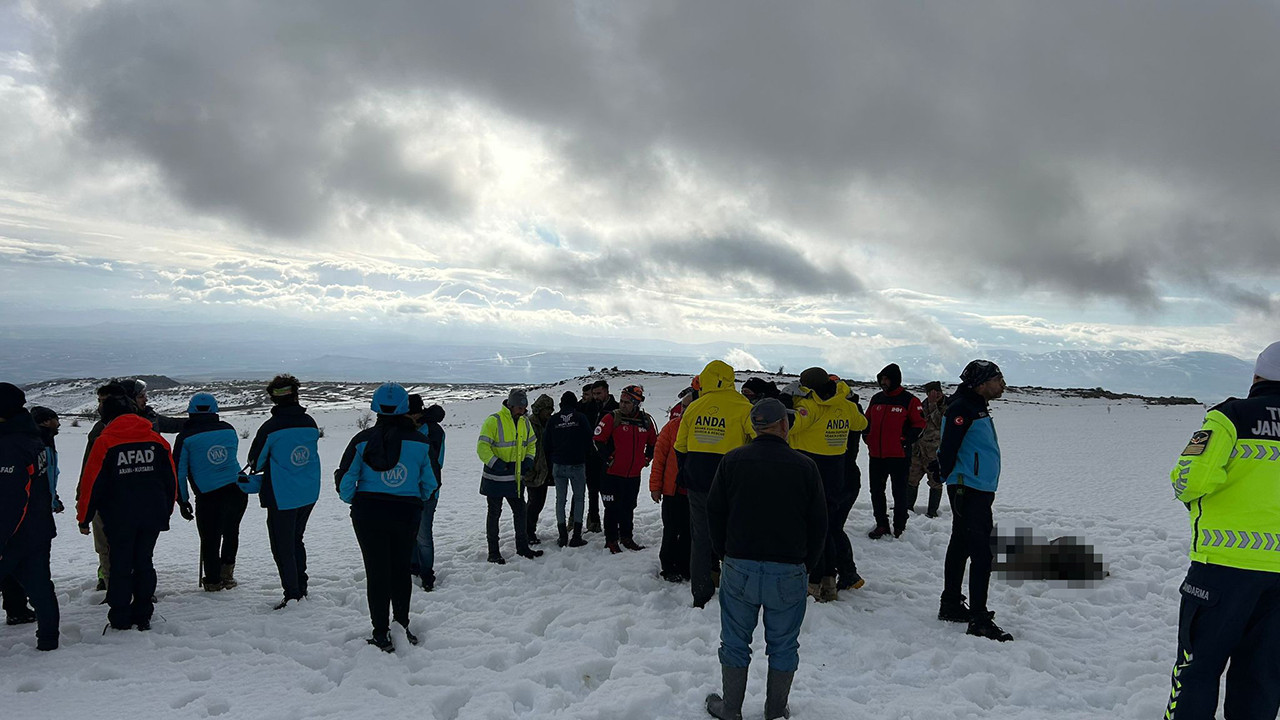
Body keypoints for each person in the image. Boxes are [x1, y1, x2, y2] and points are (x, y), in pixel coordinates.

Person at [1163, 341, 1280, 718]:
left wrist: (1193, 501)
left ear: (1257, 376)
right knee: (1262, 677)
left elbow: (1189, 480)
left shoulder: (1229, 417)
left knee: (1197, 671)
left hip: (1222, 569)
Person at [705, 398, 826, 720]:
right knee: (784, 645)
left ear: (755, 426)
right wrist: (806, 565)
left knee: (734, 642)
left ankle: (730, 709)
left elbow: (714, 512)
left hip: (740, 564)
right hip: (788, 569)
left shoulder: (732, 461)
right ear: (784, 425)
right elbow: (819, 523)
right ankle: (775, 709)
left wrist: (724, 554)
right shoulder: (805, 466)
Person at [337, 383, 438, 652]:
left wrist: (356, 500)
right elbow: (429, 484)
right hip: (406, 513)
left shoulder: (361, 441)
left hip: (368, 514)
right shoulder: (420, 442)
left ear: (375, 407)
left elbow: (346, 483)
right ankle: (402, 626)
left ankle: (381, 633)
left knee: (377, 572)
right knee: (401, 570)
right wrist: (413, 498)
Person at [77, 392, 177, 631]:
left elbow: (91, 485)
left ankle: (120, 617)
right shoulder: (157, 441)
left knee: (120, 565)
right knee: (144, 562)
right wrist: (167, 511)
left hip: (118, 517)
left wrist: (84, 517)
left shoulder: (105, 442)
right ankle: (143, 614)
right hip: (152, 515)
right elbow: (170, 481)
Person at [935, 359, 1012, 641]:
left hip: (973, 486)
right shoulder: (963, 409)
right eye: (998, 378)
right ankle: (979, 618)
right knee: (981, 553)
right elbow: (948, 447)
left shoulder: (973, 405)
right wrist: (943, 474)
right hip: (968, 488)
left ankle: (951, 603)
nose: (1003, 384)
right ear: (981, 384)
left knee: (961, 545)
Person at [675, 360, 755, 608]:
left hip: (698, 482)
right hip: (732, 483)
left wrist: (686, 471)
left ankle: (700, 592)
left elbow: (680, 446)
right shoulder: (744, 407)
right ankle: (735, 589)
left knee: (700, 538)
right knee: (734, 536)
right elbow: (757, 439)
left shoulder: (695, 407)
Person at [784, 368, 868, 602]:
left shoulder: (809, 407)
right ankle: (829, 581)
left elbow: (789, 425)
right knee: (829, 526)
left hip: (808, 468)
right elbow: (861, 424)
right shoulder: (845, 406)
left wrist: (785, 400)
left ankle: (814, 582)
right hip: (836, 471)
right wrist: (851, 402)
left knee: (812, 528)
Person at [247, 374, 321, 610]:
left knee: (282, 546)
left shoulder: (270, 427)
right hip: (308, 491)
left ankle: (293, 595)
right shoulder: (309, 422)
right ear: (296, 394)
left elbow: (256, 462)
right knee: (296, 540)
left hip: (282, 495)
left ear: (274, 399)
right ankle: (301, 586)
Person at [0, 384, 59, 650]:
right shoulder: (31, 436)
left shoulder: (11, 444)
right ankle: (48, 638)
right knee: (41, 588)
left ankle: (48, 638)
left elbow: (13, 499)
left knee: (39, 587)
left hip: (16, 533)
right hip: (38, 526)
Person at [173, 393, 246, 591]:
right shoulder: (228, 429)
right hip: (237, 490)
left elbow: (178, 471)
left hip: (208, 495)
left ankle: (213, 581)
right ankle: (227, 576)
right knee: (231, 532)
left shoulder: (186, 437)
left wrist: (183, 500)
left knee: (210, 539)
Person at [78, 380, 134, 592]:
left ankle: (124, 589)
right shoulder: (98, 430)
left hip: (127, 498)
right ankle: (111, 586)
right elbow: (88, 467)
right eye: (99, 400)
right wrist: (82, 497)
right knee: (105, 547)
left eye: (105, 401)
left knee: (127, 547)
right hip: (104, 499)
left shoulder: (132, 426)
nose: (101, 405)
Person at [477, 389, 542, 563]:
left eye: (524, 406)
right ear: (511, 405)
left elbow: (532, 444)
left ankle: (522, 548)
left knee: (520, 512)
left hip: (516, 480)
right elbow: (482, 447)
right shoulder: (494, 421)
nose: (522, 410)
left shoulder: (525, 422)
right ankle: (493, 552)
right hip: (495, 479)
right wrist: (495, 463)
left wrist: (528, 460)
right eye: (520, 407)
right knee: (494, 514)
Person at [864, 363, 925, 538]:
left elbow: (920, 424)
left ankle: (899, 525)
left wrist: (905, 440)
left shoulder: (909, 400)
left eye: (886, 379)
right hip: (876, 455)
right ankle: (881, 524)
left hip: (899, 455)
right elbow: (866, 421)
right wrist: (867, 437)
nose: (883, 382)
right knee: (876, 491)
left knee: (899, 492)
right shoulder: (876, 399)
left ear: (895, 380)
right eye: (881, 379)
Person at [593, 384, 657, 553]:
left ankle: (627, 537)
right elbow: (598, 440)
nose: (622, 405)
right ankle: (611, 540)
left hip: (633, 475)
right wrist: (609, 459)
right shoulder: (611, 418)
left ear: (636, 404)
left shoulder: (645, 421)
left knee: (628, 507)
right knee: (612, 508)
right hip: (611, 474)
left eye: (627, 403)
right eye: (621, 401)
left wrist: (646, 458)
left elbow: (653, 443)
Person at [651, 386, 696, 581]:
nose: (684, 410)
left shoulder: (702, 429)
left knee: (689, 532)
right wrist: (655, 486)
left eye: (689, 407)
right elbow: (659, 458)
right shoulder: (671, 427)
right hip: (672, 490)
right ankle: (668, 567)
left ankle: (686, 566)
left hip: (694, 491)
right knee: (671, 530)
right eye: (683, 406)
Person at [407, 395, 446, 591]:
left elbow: (436, 463)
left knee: (423, 534)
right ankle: (413, 566)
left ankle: (427, 572)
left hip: (428, 491)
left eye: (410, 413)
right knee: (411, 532)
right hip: (407, 490)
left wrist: (429, 488)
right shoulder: (407, 429)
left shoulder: (433, 431)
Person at [543, 391, 592, 547]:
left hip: (558, 465)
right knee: (579, 499)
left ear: (561, 404)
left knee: (560, 500)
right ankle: (576, 535)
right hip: (577, 464)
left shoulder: (553, 420)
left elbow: (546, 444)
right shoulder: (580, 418)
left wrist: (552, 462)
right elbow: (589, 440)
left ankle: (562, 535)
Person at [580, 380, 619, 534]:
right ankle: (594, 521)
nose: (596, 396)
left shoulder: (614, 409)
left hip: (608, 456)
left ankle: (612, 522)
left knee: (609, 491)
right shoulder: (589, 407)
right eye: (594, 393)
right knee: (592, 490)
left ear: (606, 392)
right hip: (591, 456)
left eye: (599, 393)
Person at [907, 381, 947, 518]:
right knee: (911, 479)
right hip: (918, 450)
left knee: (935, 482)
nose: (935, 395)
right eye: (932, 393)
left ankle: (932, 512)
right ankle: (907, 509)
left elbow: (941, 424)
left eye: (937, 393)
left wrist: (933, 405)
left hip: (935, 453)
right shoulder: (920, 405)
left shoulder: (948, 406)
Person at [524, 394, 555, 545]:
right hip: (533, 470)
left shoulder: (549, 423)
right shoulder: (529, 423)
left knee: (538, 502)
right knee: (534, 503)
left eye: (551, 409)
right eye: (547, 409)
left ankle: (529, 530)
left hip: (544, 470)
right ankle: (527, 531)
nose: (549, 412)